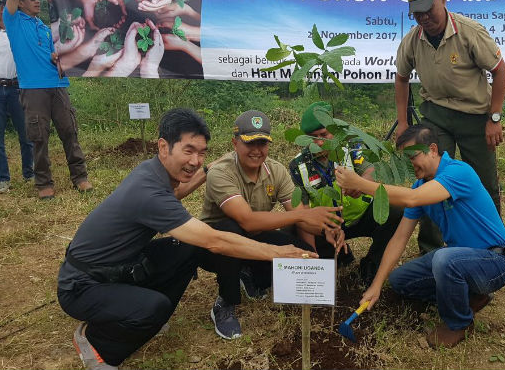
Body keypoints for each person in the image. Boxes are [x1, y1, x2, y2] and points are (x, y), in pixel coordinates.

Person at [57, 108, 317, 370]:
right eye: (188, 150)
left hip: (120, 265)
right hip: (83, 286)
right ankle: (96, 344)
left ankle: (145, 315)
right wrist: (278, 252)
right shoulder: (148, 192)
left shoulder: (153, 172)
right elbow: (216, 241)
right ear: (163, 146)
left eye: (201, 152)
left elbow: (177, 193)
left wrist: (204, 171)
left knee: (186, 249)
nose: (195, 160)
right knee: (153, 307)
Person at [335, 124, 505, 349]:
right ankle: (469, 297)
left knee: (443, 260)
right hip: (459, 260)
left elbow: (412, 198)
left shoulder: (458, 172)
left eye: (413, 156)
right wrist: (377, 285)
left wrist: (362, 184)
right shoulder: (420, 185)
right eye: (405, 158)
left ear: (433, 149)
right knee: (400, 280)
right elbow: (399, 238)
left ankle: (459, 323)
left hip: (494, 262)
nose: (409, 163)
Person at [199, 109, 344, 340]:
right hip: (213, 245)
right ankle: (225, 303)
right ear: (234, 143)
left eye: (263, 143)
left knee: (304, 252)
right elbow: (246, 220)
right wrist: (302, 217)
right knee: (231, 228)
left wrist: (327, 228)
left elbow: (298, 213)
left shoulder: (275, 170)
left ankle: (249, 274)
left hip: (254, 237)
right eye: (250, 143)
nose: (257, 151)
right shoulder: (221, 172)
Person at [394, 0, 505, 254]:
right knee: (430, 180)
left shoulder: (469, 32)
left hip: (474, 118)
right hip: (436, 115)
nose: (424, 19)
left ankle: (491, 251)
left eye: (428, 11)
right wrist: (402, 121)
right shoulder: (412, 40)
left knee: (483, 182)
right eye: (416, 13)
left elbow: (499, 70)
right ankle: (431, 251)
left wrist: (494, 118)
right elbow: (401, 77)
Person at [3, 0, 92, 199]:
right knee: (38, 137)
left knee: (69, 132)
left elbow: (57, 53)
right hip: (33, 89)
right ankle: (44, 184)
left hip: (58, 85)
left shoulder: (45, 27)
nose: (37, 1)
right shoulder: (14, 21)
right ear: (19, 4)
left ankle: (80, 177)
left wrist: (57, 57)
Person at [288, 101, 403, 285]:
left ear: (334, 130)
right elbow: (303, 212)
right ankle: (336, 256)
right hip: (326, 227)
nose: (319, 142)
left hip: (360, 216)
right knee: (291, 227)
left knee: (396, 210)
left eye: (324, 135)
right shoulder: (298, 165)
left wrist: (362, 184)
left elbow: (370, 169)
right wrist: (311, 260)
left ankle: (371, 265)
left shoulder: (351, 147)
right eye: (312, 137)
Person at [0, 0, 34, 193]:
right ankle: (2, 179)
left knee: (26, 134)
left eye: (1, 5)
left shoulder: (17, 30)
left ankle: (29, 173)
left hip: (17, 87)